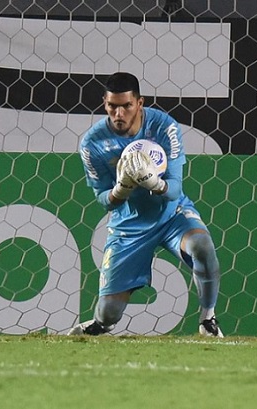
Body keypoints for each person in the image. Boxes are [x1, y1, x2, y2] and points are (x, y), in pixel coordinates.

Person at [69, 72, 223, 337]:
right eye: (112, 106)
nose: (118, 113)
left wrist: (155, 184)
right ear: (104, 103)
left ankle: (208, 319)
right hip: (129, 226)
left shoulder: (165, 127)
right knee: (108, 313)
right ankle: (100, 325)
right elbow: (104, 200)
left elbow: (174, 189)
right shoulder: (92, 143)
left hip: (171, 216)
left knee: (202, 245)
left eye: (126, 106)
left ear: (140, 103)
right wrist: (121, 189)